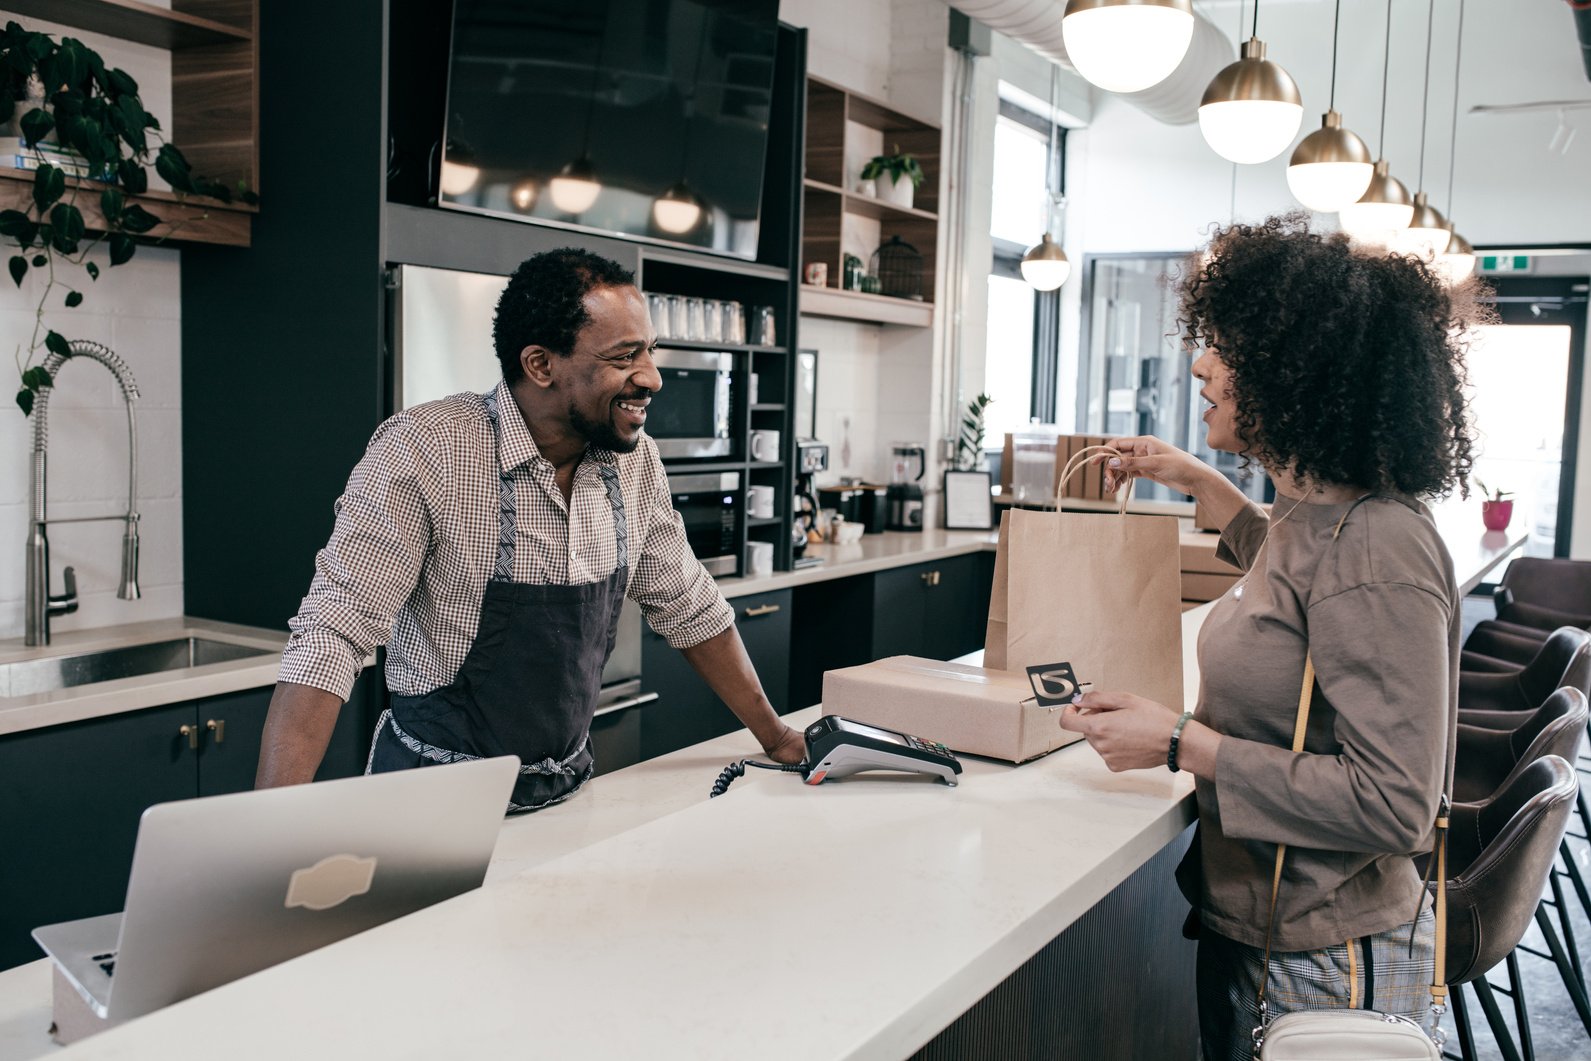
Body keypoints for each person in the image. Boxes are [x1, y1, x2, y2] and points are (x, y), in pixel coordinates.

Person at [1058, 215, 1480, 1060]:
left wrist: (1181, 741)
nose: (1200, 364)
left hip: (1327, 958)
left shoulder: (1376, 544)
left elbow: (1395, 804)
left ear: (1296, 371)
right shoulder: (1321, 514)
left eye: (1224, 347)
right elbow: (1293, 585)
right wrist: (1194, 478)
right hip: (1275, 932)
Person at [257, 248, 805, 809]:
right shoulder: (427, 449)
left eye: (650, 351)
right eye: (624, 357)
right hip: (429, 803)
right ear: (541, 365)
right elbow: (331, 634)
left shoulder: (634, 462)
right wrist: (269, 827)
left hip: (569, 792)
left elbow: (690, 607)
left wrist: (779, 737)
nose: (652, 378)